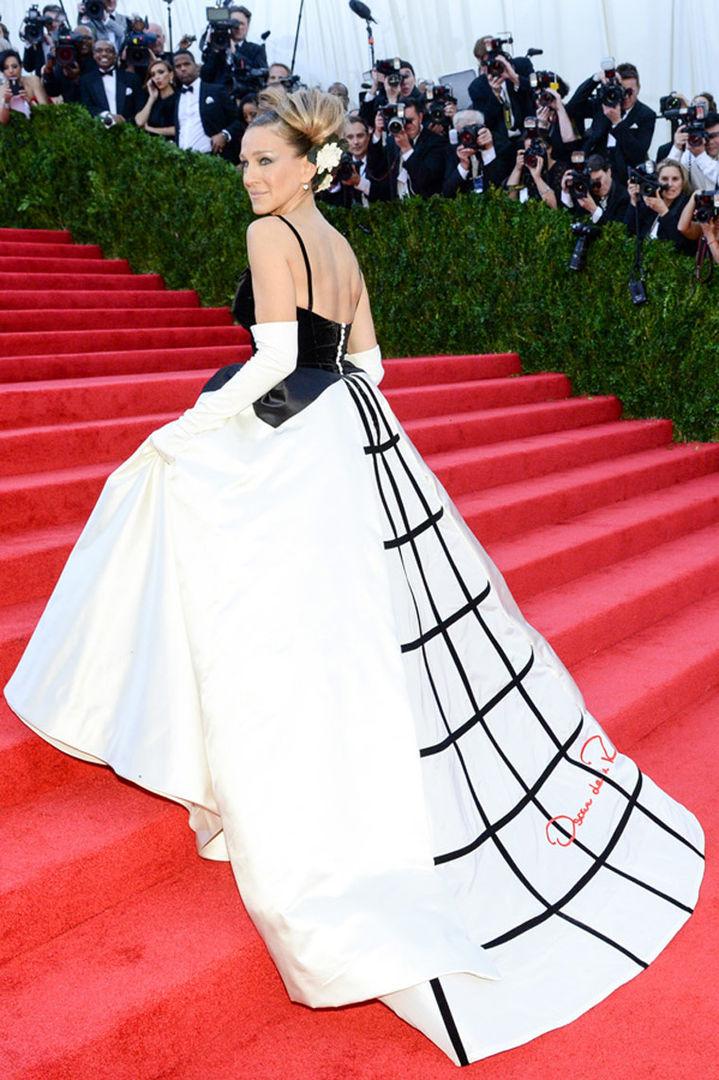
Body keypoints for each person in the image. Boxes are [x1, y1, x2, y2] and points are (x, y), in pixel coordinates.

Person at [3, 83, 705, 1067]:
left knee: (164, 501)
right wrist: (291, 420)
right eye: (243, 161)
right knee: (366, 641)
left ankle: (200, 750)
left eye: (265, 162)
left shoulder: (272, 239)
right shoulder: (336, 240)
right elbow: (366, 367)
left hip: (308, 439)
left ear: (307, 165)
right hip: (365, 439)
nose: (249, 177)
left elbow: (279, 371)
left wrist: (203, 428)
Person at [566, 61, 656, 184]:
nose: (626, 97)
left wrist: (617, 122)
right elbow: (572, 108)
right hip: (595, 168)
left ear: (638, 89)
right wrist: (595, 79)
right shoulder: (603, 104)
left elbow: (638, 154)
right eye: (622, 91)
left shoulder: (646, 114)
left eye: (629, 92)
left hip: (625, 176)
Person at [172, 48, 242, 160]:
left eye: (187, 64)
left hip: (213, 158)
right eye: (178, 66)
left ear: (196, 66)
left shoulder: (216, 91)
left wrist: (225, 135)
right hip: (183, 160)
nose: (183, 68)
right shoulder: (177, 97)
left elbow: (239, 121)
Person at [625, 159, 695, 255]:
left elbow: (681, 246)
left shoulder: (688, 206)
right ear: (657, 181)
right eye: (664, 179)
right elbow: (627, 232)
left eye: (675, 179)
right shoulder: (651, 201)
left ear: (683, 182)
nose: (669, 184)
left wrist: (664, 212)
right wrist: (633, 201)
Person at [79, 38, 143, 123]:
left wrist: (126, 122)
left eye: (109, 51)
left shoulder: (132, 79)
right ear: (93, 55)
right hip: (99, 130)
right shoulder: (86, 81)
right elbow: (87, 106)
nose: (104, 54)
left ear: (115, 55)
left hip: (129, 129)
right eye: (99, 51)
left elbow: (139, 106)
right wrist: (106, 116)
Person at [560, 153, 630, 225]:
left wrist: (594, 210)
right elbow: (571, 220)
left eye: (598, 179)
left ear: (608, 172)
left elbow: (618, 231)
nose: (596, 186)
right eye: (592, 182)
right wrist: (566, 193)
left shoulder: (623, 197)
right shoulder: (587, 193)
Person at [0, 48, 48, 121]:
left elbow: (46, 110)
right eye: (6, 68)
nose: (11, 71)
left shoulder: (33, 81)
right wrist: (6, 102)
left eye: (14, 66)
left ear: (21, 66)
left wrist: (29, 102)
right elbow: (3, 121)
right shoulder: (2, 89)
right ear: (3, 71)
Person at [134, 58, 175, 138]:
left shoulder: (181, 97)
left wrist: (150, 129)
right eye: (153, 75)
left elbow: (180, 129)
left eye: (161, 72)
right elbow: (139, 122)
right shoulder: (150, 98)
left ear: (171, 75)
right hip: (154, 147)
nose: (157, 77)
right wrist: (152, 98)